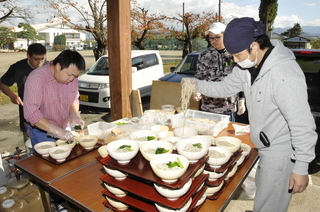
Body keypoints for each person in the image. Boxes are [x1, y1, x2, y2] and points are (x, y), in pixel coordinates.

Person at [182, 17, 317, 212]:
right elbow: (226, 87)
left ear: (254, 45)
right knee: (264, 192)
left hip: (281, 151)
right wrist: (196, 84)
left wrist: (301, 167)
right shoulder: (247, 67)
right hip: (264, 145)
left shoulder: (283, 73)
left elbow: (302, 124)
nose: (235, 60)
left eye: (237, 54)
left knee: (272, 204)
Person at [23, 49, 86, 147]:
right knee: (46, 161)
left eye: (75, 76)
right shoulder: (37, 78)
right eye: (69, 75)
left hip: (65, 128)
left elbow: (73, 98)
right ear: (58, 66)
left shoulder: (73, 78)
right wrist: (57, 131)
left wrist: (74, 116)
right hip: (42, 132)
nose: (72, 79)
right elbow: (31, 113)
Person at [194, 22, 246, 122]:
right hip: (207, 107)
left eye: (217, 37)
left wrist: (241, 101)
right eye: (211, 37)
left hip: (228, 107)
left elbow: (241, 80)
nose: (214, 40)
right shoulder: (204, 55)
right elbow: (198, 77)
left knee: (225, 137)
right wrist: (197, 91)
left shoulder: (235, 54)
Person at [0, 43, 47, 144]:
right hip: (28, 115)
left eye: (42, 58)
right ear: (28, 56)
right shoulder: (17, 68)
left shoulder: (49, 67)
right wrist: (12, 95)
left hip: (48, 113)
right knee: (31, 145)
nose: (40, 62)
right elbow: (2, 83)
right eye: (36, 59)